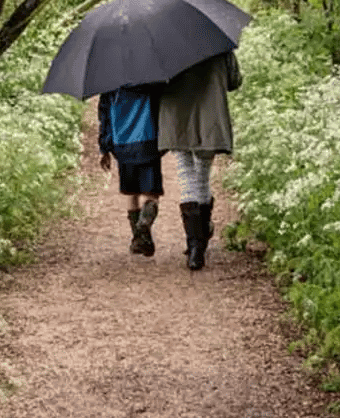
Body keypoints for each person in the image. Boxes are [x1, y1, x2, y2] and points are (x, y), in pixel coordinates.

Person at [158, 50, 242, 271]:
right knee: (202, 176)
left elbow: (154, 82)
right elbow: (234, 81)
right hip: (210, 116)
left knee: (186, 173)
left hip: (176, 116)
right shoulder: (220, 46)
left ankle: (196, 245)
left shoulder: (165, 45)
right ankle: (199, 239)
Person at [98, 84, 164, 256]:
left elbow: (104, 118)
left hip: (122, 146)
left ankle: (138, 238)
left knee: (131, 192)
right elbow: (162, 108)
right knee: (151, 193)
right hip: (148, 142)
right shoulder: (150, 81)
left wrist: (105, 149)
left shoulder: (110, 85)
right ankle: (144, 224)